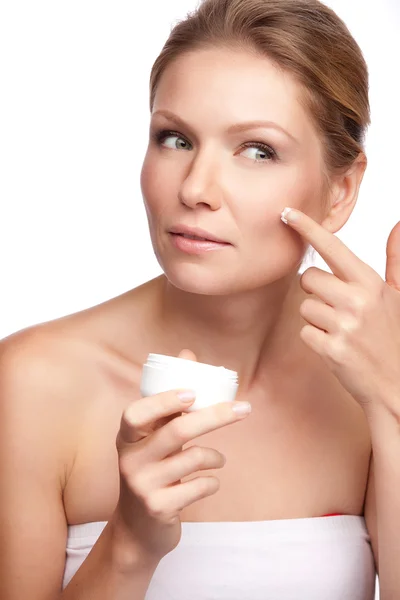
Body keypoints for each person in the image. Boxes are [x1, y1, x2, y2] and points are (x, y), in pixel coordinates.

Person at [0, 0, 380, 598]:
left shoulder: (366, 385)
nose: (196, 189)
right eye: (174, 138)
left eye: (258, 150)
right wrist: (130, 543)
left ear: (341, 190)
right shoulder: (31, 385)